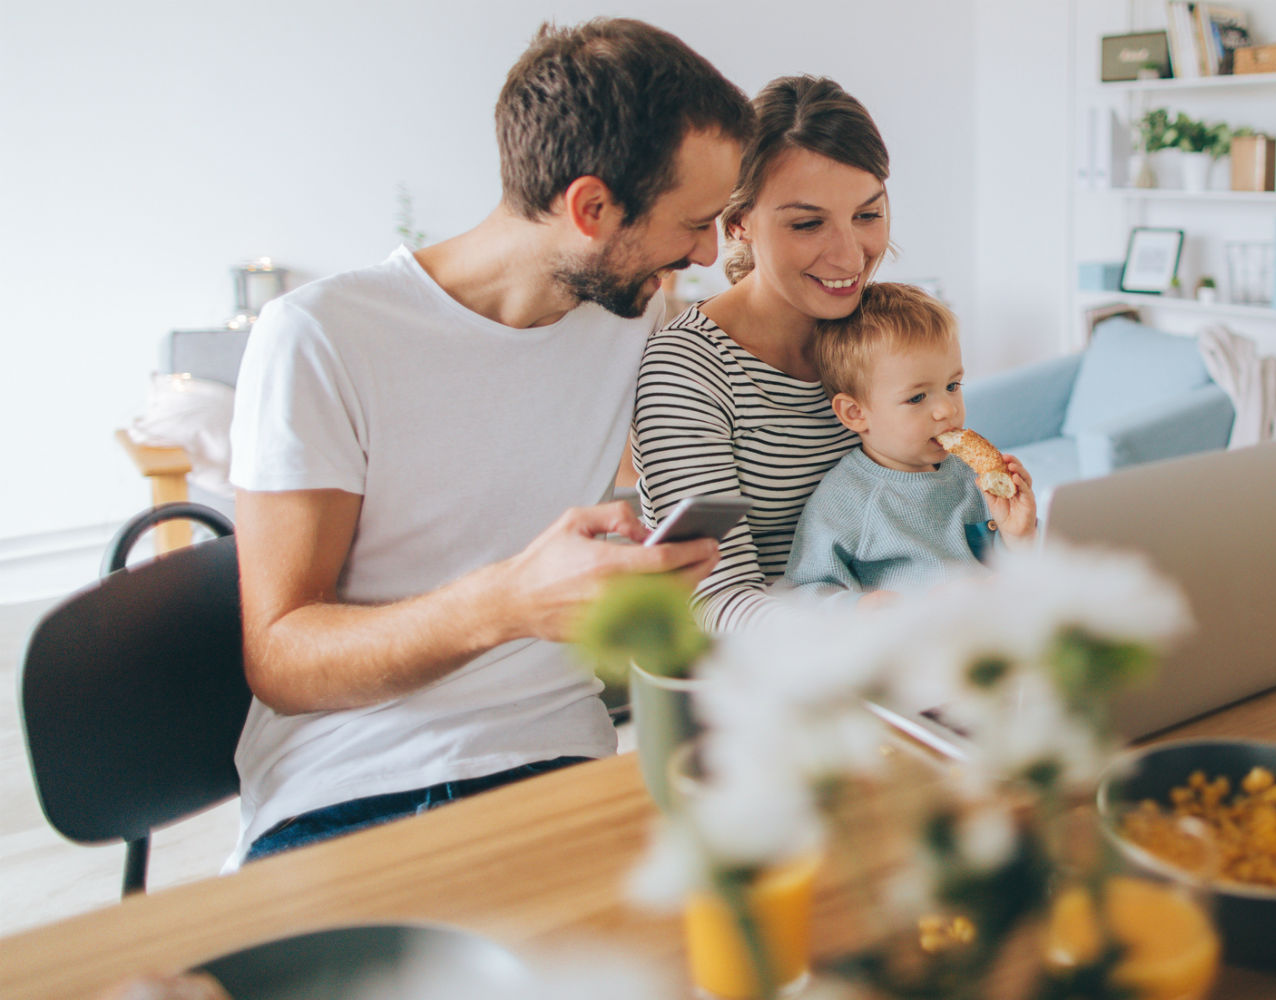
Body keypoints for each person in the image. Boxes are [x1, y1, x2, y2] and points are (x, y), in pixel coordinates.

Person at [225, 18, 752, 863]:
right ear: (591, 208)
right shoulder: (322, 336)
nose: (708, 251)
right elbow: (281, 659)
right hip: (355, 789)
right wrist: (508, 603)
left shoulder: (636, 316)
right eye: (695, 222)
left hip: (561, 768)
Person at [631, 75, 891, 633]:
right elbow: (715, 600)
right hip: (772, 677)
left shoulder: (884, 333)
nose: (850, 256)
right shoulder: (688, 370)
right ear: (739, 224)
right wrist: (860, 624)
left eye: (867, 215)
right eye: (807, 223)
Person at [781, 283, 1037, 606]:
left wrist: (1017, 536)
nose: (947, 409)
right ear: (856, 413)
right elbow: (805, 592)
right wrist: (860, 608)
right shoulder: (846, 499)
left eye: (952, 385)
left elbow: (1018, 574)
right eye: (917, 397)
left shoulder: (971, 477)